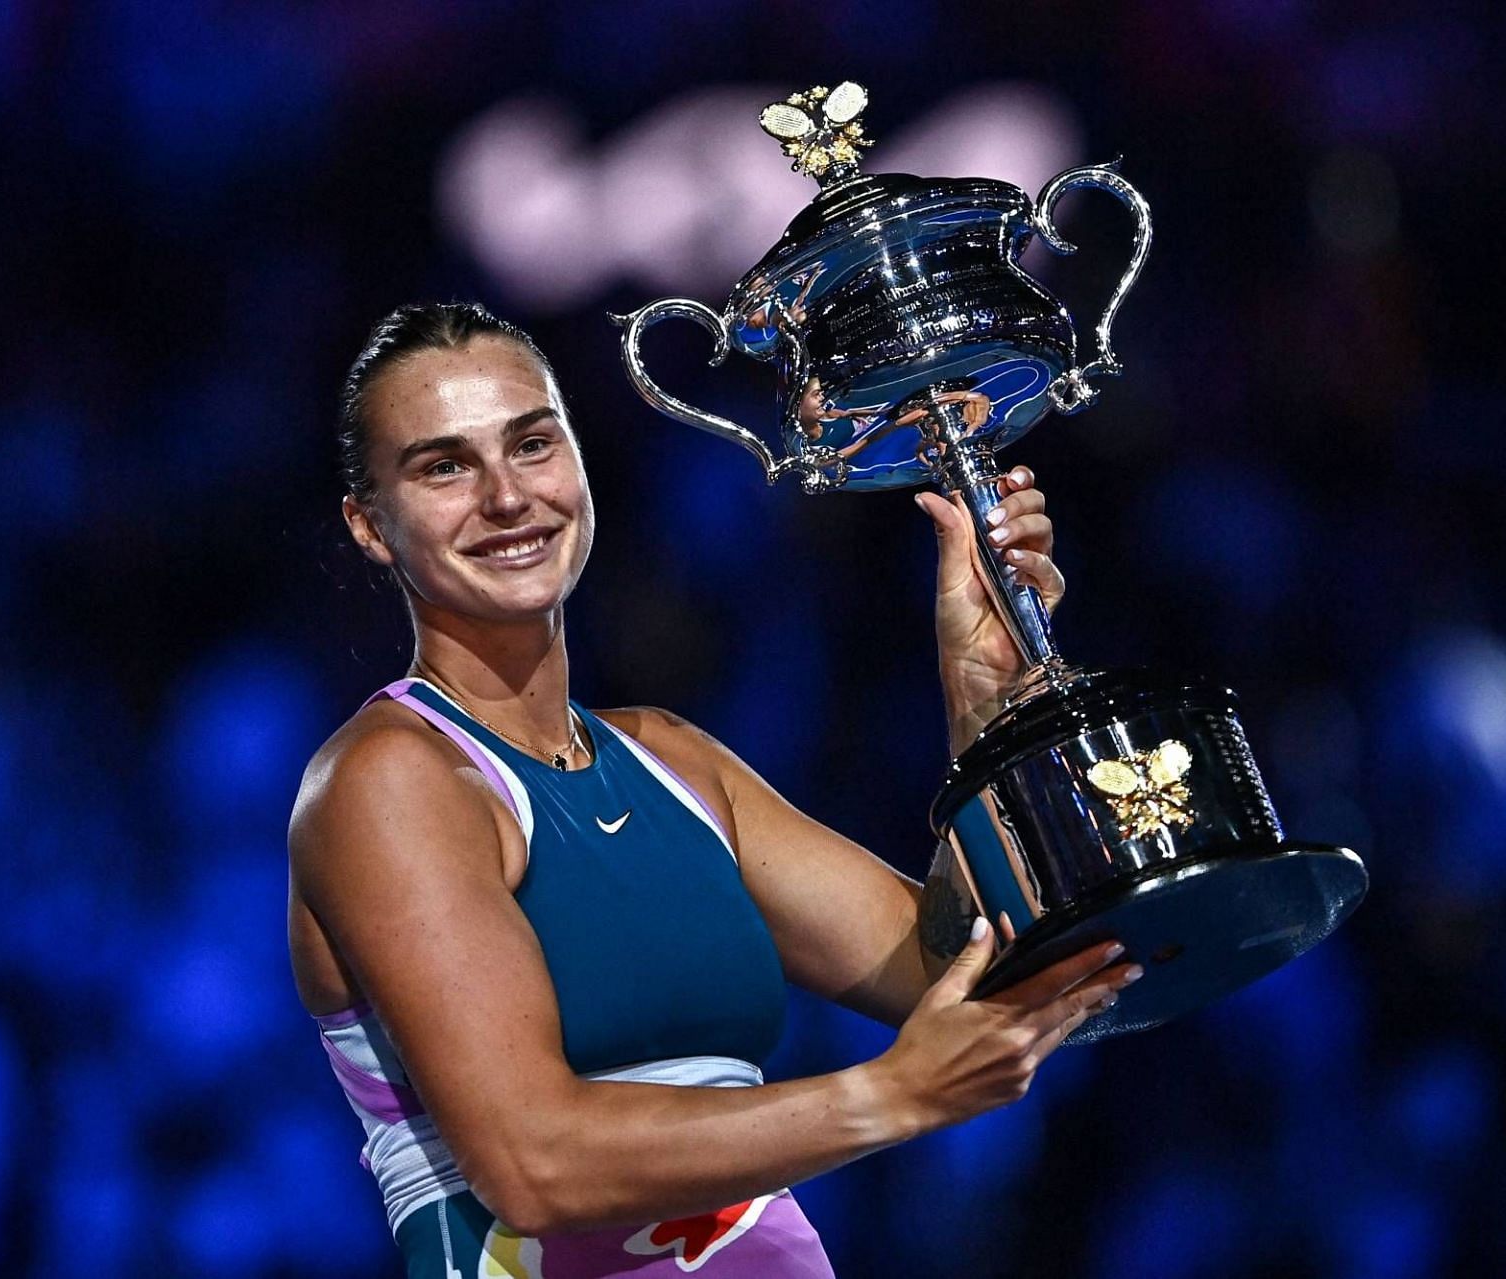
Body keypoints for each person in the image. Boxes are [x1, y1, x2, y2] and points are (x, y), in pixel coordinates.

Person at [287, 301, 1141, 1278]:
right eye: (444, 466)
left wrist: (986, 698)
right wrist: (890, 1094)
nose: (506, 496)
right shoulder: (388, 780)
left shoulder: (674, 762)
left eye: (533, 444)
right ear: (370, 524)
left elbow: (978, 976)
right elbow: (534, 1164)